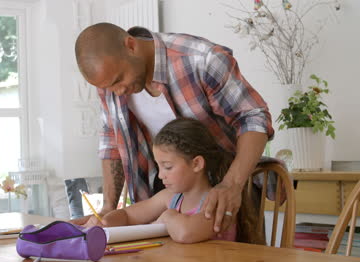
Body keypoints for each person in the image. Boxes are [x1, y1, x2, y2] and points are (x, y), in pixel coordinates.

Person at [73, 22, 273, 234]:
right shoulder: (111, 85)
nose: (118, 92)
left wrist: (232, 184)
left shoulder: (202, 59)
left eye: (119, 80)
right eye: (108, 88)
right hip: (171, 190)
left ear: (131, 45)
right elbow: (112, 143)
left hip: (228, 184)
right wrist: (108, 208)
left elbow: (252, 117)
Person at [100, 117, 236, 243]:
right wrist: (106, 222)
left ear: (196, 164)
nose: (160, 175)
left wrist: (168, 216)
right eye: (159, 166)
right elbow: (128, 215)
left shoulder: (217, 203)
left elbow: (185, 233)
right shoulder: (171, 197)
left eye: (168, 167)